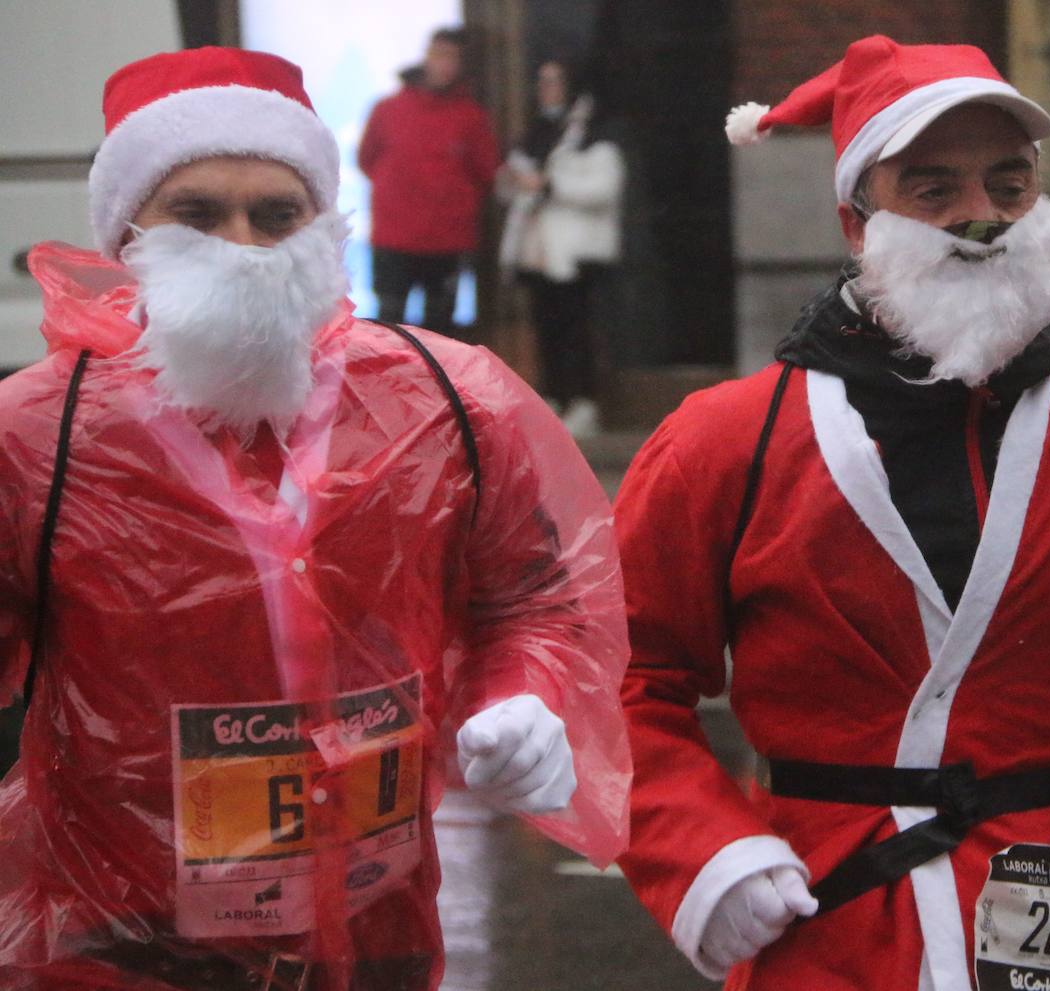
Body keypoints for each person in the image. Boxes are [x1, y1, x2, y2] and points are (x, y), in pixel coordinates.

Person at [613, 36, 1050, 991]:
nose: (982, 219)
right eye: (933, 190)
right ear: (854, 220)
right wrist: (704, 853)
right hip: (825, 927)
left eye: (1009, 185)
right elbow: (618, 679)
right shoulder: (724, 443)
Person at [0, 47, 630, 991]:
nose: (245, 245)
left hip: (378, 928)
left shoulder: (445, 400)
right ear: (129, 233)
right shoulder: (34, 432)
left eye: (277, 214)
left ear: (322, 225)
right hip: (123, 937)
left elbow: (535, 596)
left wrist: (526, 695)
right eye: (199, 214)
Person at [497, 59, 625, 438]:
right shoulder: (534, 135)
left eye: (554, 82)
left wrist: (550, 187)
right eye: (542, 82)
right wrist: (516, 183)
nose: (547, 89)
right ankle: (553, 396)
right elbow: (512, 187)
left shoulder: (595, 137)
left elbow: (604, 189)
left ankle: (583, 401)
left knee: (577, 330)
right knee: (547, 328)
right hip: (539, 252)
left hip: (577, 253)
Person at [358, 27, 501, 337]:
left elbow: (486, 172)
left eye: (454, 58)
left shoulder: (471, 117)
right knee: (388, 327)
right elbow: (366, 159)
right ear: (427, 57)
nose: (445, 64)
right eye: (440, 55)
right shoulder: (388, 109)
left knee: (439, 331)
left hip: (447, 241)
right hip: (393, 238)